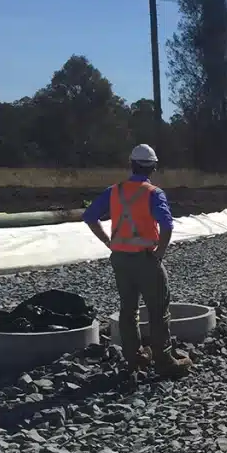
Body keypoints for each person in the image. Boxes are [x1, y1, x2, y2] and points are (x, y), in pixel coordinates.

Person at [83, 144, 192, 377]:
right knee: (158, 309)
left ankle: (135, 358)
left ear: (131, 164)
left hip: (120, 259)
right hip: (145, 258)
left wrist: (107, 242)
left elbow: (90, 216)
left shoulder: (114, 191)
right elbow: (167, 225)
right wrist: (159, 253)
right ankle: (164, 359)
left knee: (128, 309)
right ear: (153, 167)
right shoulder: (153, 193)